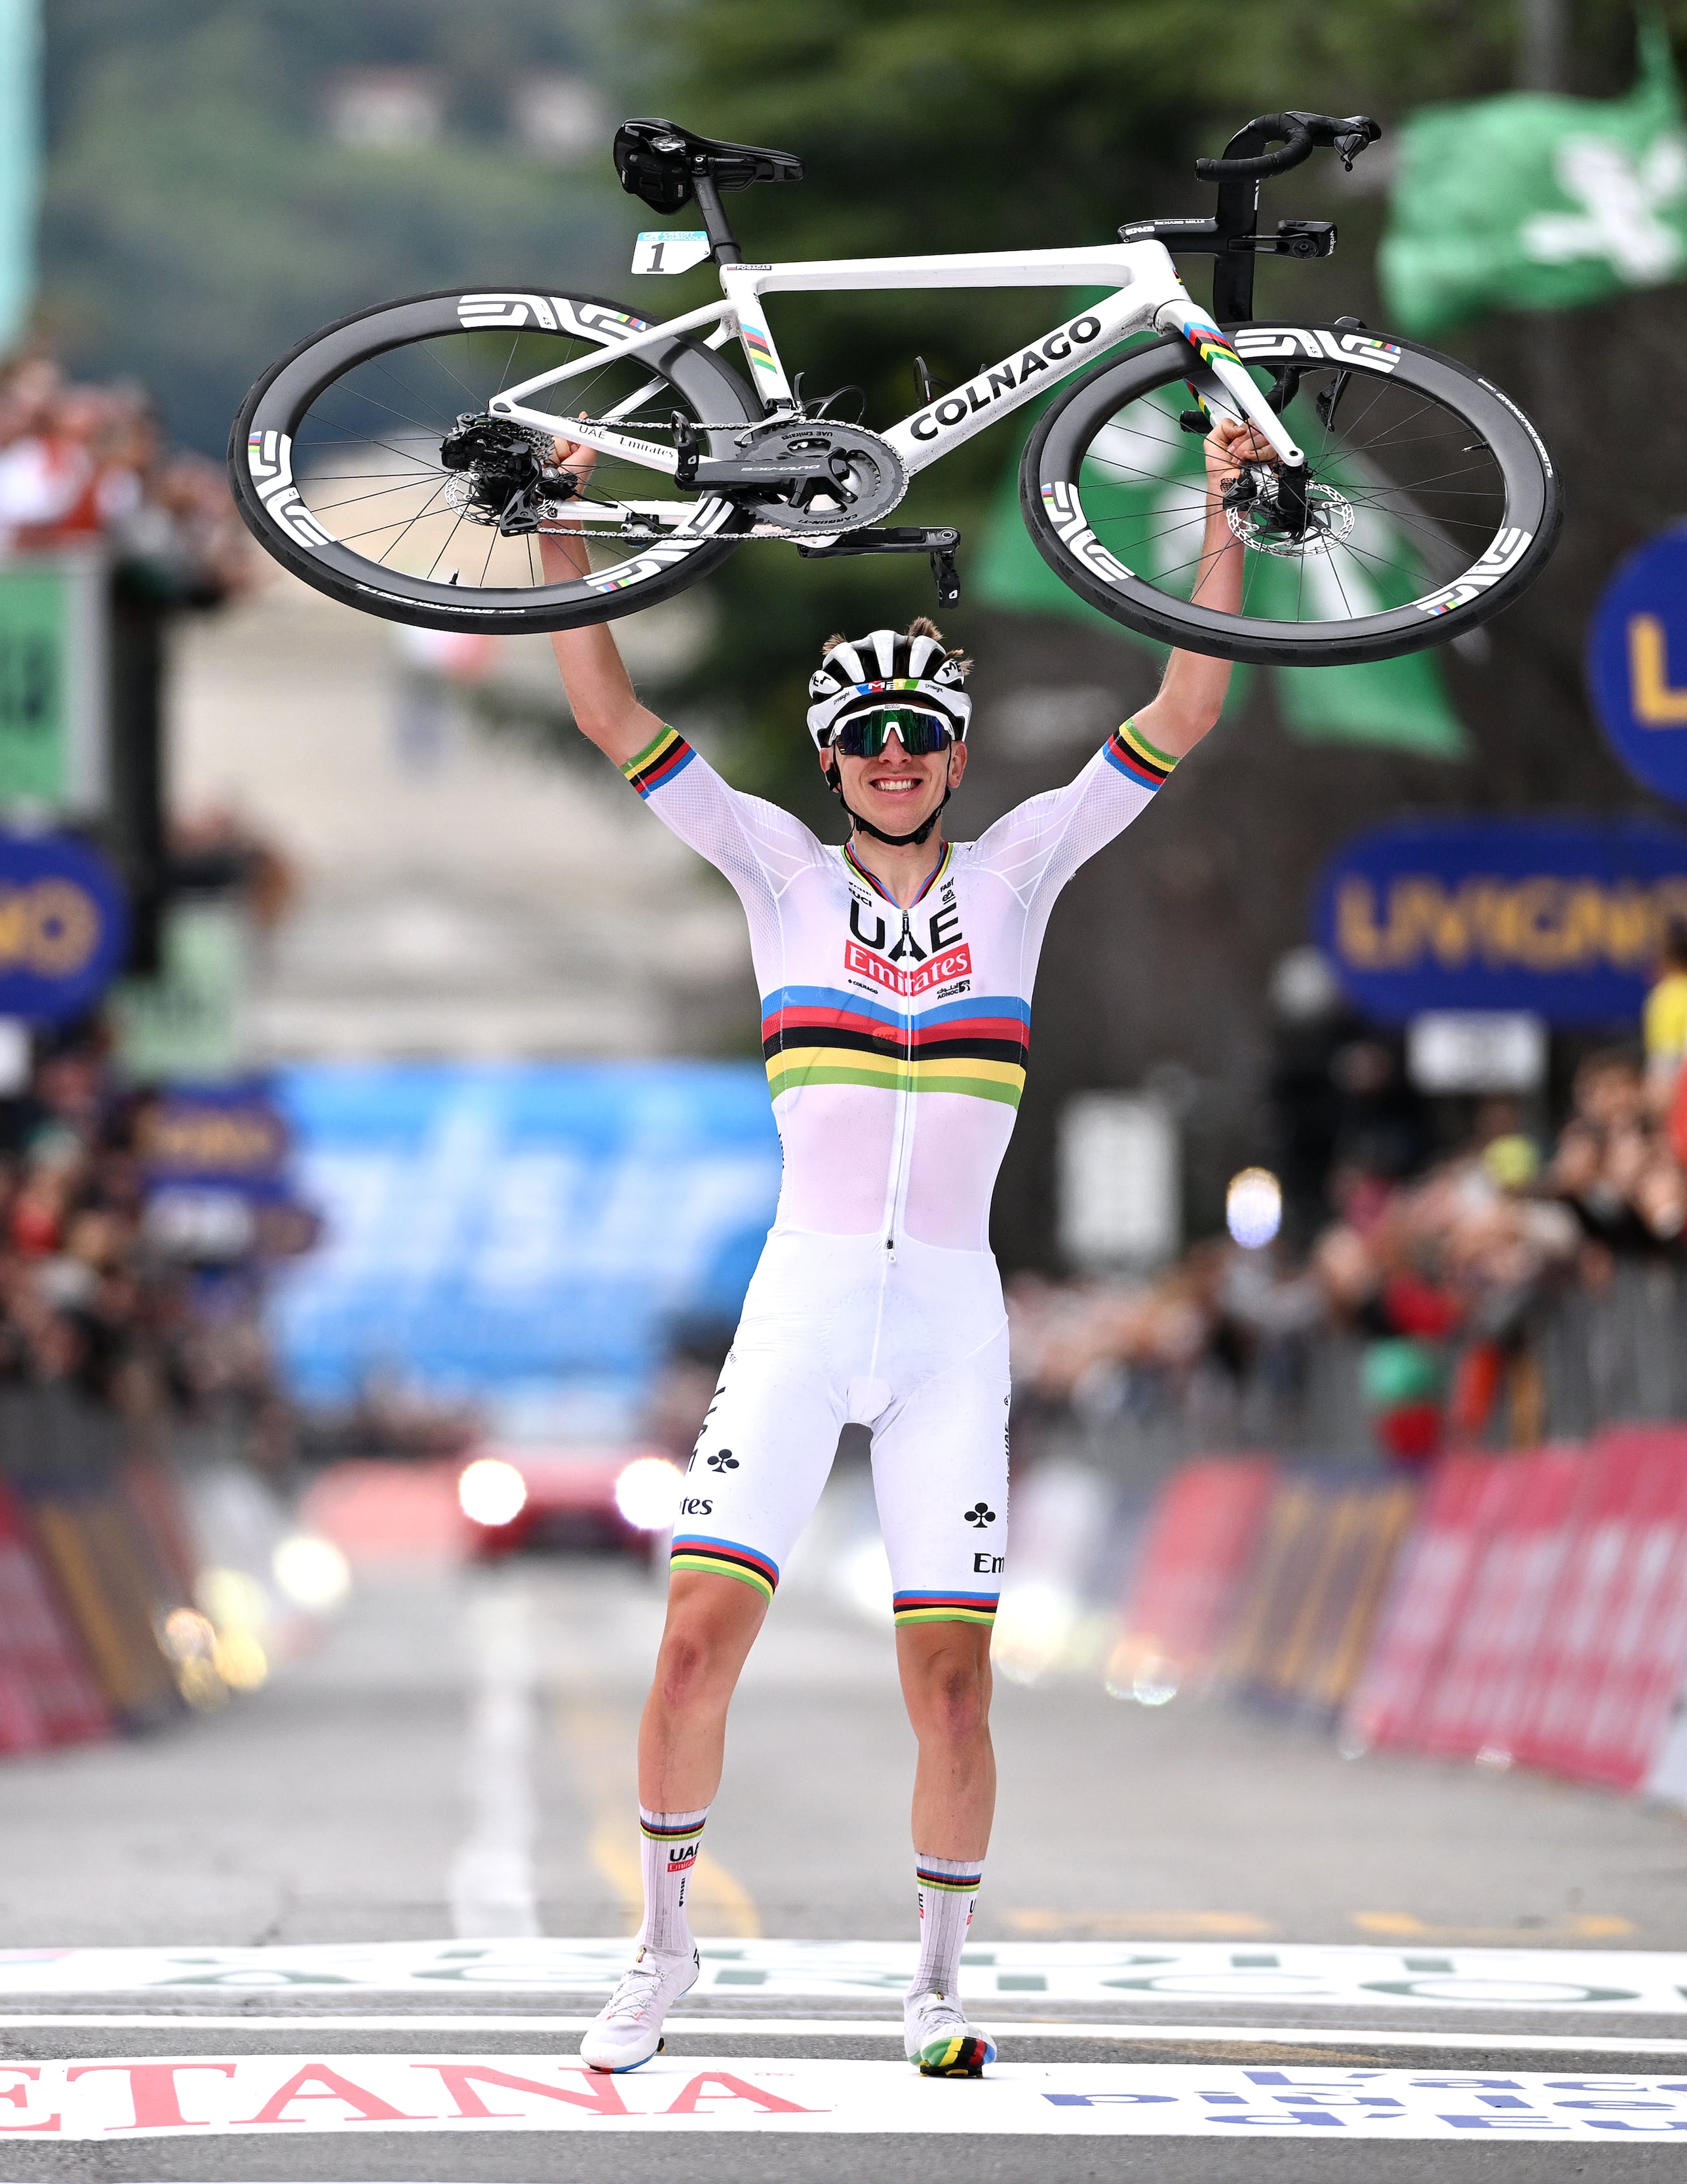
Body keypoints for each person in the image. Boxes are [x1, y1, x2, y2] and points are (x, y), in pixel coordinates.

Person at [538, 420, 1264, 2079]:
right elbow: (604, 712)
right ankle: (660, 1951)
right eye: (865, 737)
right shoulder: (774, 872)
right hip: (799, 1308)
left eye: (918, 735)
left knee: (951, 1682)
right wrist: (566, 528)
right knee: (692, 1642)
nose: (892, 756)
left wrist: (1220, 517)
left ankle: (935, 1982)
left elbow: (1187, 708)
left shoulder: (1019, 873)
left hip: (950, 1323)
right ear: (831, 756)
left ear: (948, 755)